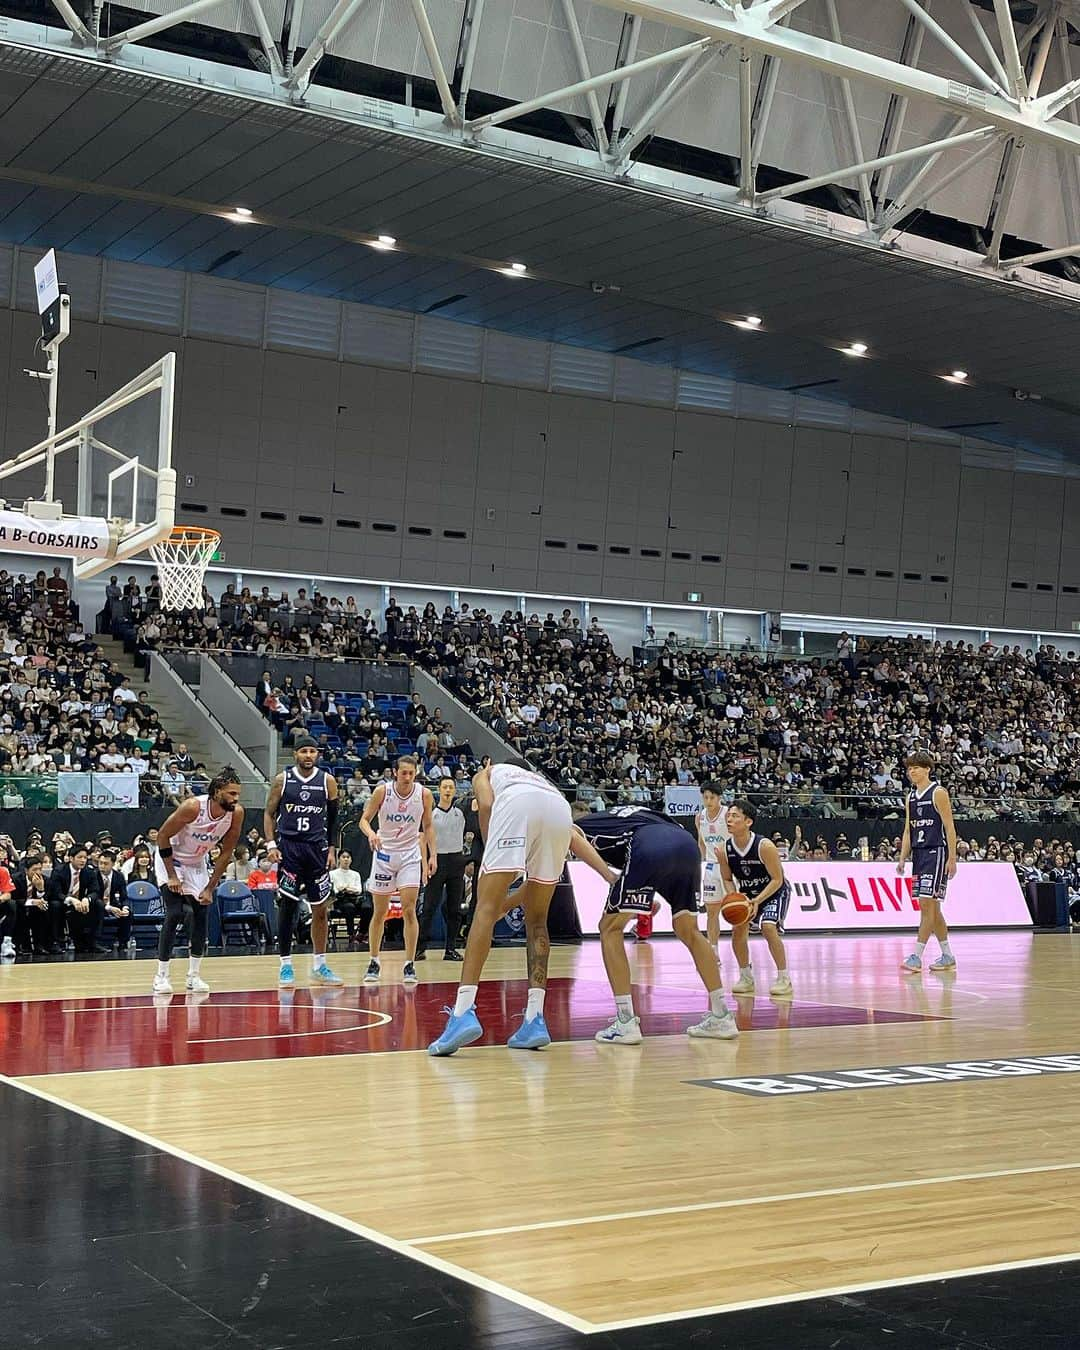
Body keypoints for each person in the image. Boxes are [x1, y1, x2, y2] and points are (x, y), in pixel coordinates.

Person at [429, 762, 615, 1056]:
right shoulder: (541, 783)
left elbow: (487, 803)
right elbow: (573, 839)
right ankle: (534, 1019)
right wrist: (609, 876)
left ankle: (463, 1010)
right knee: (538, 921)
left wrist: (494, 853)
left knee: (484, 910)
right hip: (559, 810)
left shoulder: (487, 773)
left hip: (516, 810)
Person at [574, 805, 739, 1043]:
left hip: (648, 846)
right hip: (686, 845)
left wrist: (610, 878)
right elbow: (659, 846)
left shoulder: (579, 824)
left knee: (609, 928)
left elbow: (572, 835)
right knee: (688, 930)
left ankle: (625, 1021)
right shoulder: (623, 815)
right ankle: (722, 1015)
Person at [153, 766, 245, 995]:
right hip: (171, 858)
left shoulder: (236, 813)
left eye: (238, 794)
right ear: (216, 793)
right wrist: (172, 876)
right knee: (175, 912)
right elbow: (163, 836)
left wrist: (210, 887)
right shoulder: (193, 807)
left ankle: (193, 976)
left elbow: (226, 853)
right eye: (231, 794)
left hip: (196, 862)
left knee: (202, 913)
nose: (236, 799)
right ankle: (161, 976)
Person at [264, 736, 342, 988]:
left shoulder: (327, 781)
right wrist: (271, 844)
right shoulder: (282, 780)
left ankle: (319, 965)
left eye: (312, 751)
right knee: (288, 907)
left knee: (321, 909)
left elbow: (333, 820)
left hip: (317, 850)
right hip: (289, 849)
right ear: (295, 754)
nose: (308, 755)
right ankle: (285, 965)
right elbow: (268, 813)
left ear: (317, 754)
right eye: (303, 751)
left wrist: (332, 849)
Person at [359, 754, 435, 986]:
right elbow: (364, 819)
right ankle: (374, 960)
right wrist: (371, 833)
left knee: (409, 910)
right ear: (395, 772)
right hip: (384, 854)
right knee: (379, 912)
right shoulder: (382, 792)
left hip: (410, 855)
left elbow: (429, 825)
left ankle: (409, 963)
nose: (408, 777)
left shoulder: (424, 794)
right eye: (404, 773)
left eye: (412, 773)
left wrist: (433, 855)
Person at [719, 800, 793, 998]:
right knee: (738, 929)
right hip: (748, 895)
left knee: (768, 927)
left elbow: (778, 879)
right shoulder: (724, 849)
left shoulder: (764, 845)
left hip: (774, 892)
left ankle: (784, 978)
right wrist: (735, 896)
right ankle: (746, 976)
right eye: (729, 815)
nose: (730, 819)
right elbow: (727, 879)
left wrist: (757, 901)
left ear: (748, 821)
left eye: (735, 816)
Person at [897, 751, 958, 974]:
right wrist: (903, 857)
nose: (911, 771)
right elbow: (907, 830)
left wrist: (952, 858)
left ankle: (916, 955)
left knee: (926, 905)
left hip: (936, 852)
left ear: (927, 769)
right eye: (909, 768)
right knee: (933, 908)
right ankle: (948, 955)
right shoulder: (910, 797)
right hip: (919, 855)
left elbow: (950, 827)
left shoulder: (938, 793)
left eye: (916, 767)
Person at [416, 777, 467, 962]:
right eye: (444, 787)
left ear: (455, 791)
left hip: (456, 861)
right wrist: (425, 864)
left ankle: (450, 949)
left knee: (454, 909)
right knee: (429, 906)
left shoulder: (461, 813)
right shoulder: (430, 814)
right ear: (438, 790)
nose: (448, 790)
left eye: (451, 787)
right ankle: (420, 947)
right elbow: (422, 840)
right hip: (436, 861)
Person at [47, 845, 106, 954]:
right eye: (80, 857)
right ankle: (55, 942)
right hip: (64, 902)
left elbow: (95, 891)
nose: (83, 860)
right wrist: (71, 900)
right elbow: (56, 893)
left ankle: (93, 941)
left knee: (98, 904)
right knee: (54, 905)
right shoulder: (59, 871)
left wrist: (87, 899)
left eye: (85, 858)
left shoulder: (89, 871)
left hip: (81, 902)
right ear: (71, 858)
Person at [697, 780, 730, 948]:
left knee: (735, 909)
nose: (708, 801)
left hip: (729, 867)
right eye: (705, 797)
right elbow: (701, 843)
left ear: (719, 798)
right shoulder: (700, 817)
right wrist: (700, 863)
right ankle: (713, 950)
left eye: (712, 798)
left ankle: (743, 956)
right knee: (711, 912)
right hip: (710, 867)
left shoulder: (728, 815)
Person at [329, 850, 366, 947]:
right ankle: (351, 934)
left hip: (354, 898)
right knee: (349, 907)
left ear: (351, 860)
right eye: (343, 857)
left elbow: (358, 890)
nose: (346, 859)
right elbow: (334, 890)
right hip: (340, 900)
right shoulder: (332, 874)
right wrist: (343, 889)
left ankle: (362, 933)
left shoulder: (355, 874)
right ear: (339, 859)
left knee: (367, 908)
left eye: (348, 857)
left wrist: (348, 888)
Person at [99, 850, 132, 951]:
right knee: (98, 909)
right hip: (99, 905)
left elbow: (124, 897)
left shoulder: (119, 876)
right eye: (100, 863)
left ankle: (123, 943)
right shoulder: (93, 875)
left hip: (113, 904)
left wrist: (125, 908)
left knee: (128, 914)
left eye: (105, 864)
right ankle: (97, 942)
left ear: (113, 864)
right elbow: (94, 896)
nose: (102, 866)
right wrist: (108, 908)